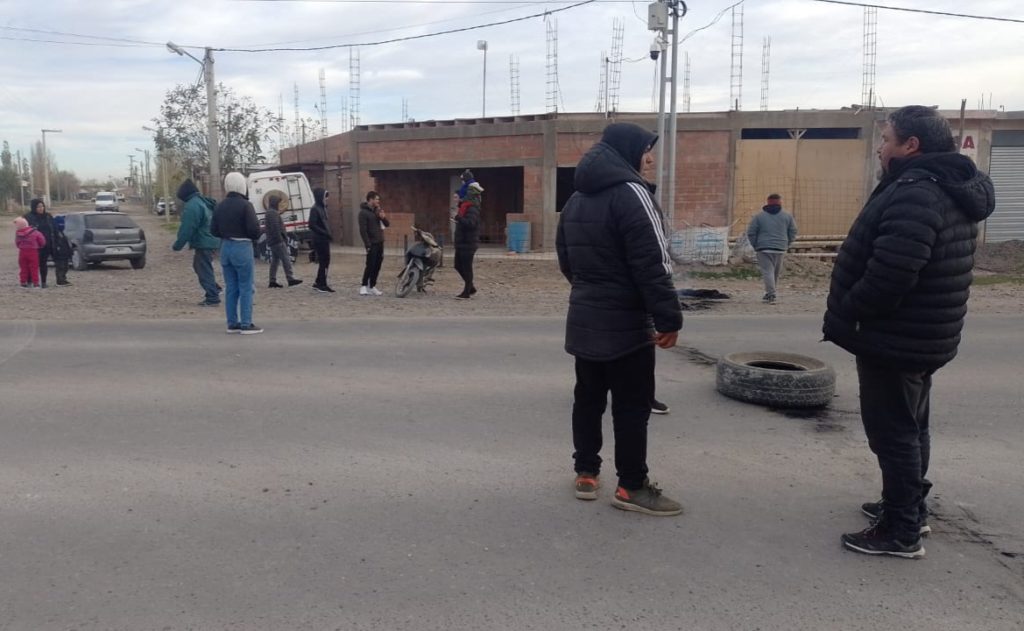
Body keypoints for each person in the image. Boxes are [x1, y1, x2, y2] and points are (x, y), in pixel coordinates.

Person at [823, 105, 995, 559]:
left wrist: (850, 310)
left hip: (895, 337)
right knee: (912, 426)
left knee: (893, 433)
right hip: (924, 334)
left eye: (886, 139)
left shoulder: (917, 192)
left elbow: (892, 273)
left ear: (910, 145)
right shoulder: (945, 185)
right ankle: (910, 508)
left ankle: (900, 531)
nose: (880, 148)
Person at [556, 122, 684, 516]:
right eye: (647, 151)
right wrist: (669, 317)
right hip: (627, 325)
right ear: (629, 151)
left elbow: (566, 259)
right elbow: (654, 262)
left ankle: (586, 472)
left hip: (585, 317)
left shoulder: (576, 199)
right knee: (632, 407)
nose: (650, 160)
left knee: (588, 399)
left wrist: (592, 294)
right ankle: (632, 485)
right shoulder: (633, 193)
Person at [210, 172, 263, 335]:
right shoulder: (246, 205)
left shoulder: (220, 206)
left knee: (231, 287)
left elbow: (213, 230)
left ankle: (232, 323)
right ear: (242, 185)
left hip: (225, 247)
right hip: (242, 247)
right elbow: (254, 231)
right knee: (246, 286)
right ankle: (246, 323)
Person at [172, 178, 222, 306]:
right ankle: (214, 288)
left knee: (203, 268)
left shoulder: (192, 206)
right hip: (212, 240)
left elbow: (187, 228)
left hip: (204, 242)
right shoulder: (202, 201)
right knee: (200, 266)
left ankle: (212, 297)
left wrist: (178, 245)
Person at [746, 193, 797, 304]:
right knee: (775, 272)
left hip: (763, 248)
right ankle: (771, 292)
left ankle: (770, 293)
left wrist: (755, 245)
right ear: (780, 203)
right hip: (780, 248)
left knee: (767, 271)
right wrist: (787, 243)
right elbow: (793, 231)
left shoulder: (759, 217)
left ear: (767, 202)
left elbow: (751, 232)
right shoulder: (787, 216)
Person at [263, 195, 302, 289]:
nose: (279, 205)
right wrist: (281, 239)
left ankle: (272, 281)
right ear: (275, 203)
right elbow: (275, 228)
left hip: (273, 240)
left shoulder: (270, 212)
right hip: (277, 241)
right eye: (278, 203)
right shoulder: (273, 213)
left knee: (275, 261)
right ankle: (290, 279)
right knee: (286, 259)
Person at [452, 181, 481, 299]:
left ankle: (467, 291)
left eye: (457, 197)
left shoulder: (472, 208)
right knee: (458, 265)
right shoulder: (463, 208)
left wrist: (458, 218)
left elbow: (471, 223)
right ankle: (471, 287)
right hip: (462, 242)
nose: (456, 199)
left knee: (467, 268)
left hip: (468, 243)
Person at [358, 191, 389, 296]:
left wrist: (383, 217)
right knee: (370, 264)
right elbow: (363, 230)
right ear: (370, 199)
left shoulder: (378, 211)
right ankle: (363, 285)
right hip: (372, 243)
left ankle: (372, 285)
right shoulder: (363, 213)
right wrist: (367, 244)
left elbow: (387, 224)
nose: (378, 201)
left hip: (380, 242)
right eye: (376, 199)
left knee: (377, 265)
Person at [23, 199, 56, 288]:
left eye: (42, 206)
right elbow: (23, 231)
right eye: (38, 207)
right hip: (32, 246)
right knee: (32, 265)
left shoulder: (48, 216)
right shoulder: (28, 217)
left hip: (46, 244)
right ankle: (30, 281)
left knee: (43, 264)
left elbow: (54, 228)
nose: (41, 208)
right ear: (34, 207)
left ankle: (44, 282)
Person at [308, 187, 335, 293]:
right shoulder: (315, 209)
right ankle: (321, 284)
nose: (327, 199)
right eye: (325, 196)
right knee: (323, 261)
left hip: (324, 239)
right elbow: (312, 224)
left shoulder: (322, 208)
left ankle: (319, 281)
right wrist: (324, 232)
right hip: (319, 239)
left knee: (326, 261)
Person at [14, 216, 46, 288]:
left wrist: (20, 246)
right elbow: (42, 240)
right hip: (33, 251)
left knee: (23, 268)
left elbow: (17, 242)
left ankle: (23, 282)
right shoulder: (35, 232)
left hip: (22, 251)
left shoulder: (18, 233)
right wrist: (40, 246)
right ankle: (35, 283)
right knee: (34, 268)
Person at [51, 215, 72, 287]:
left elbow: (65, 243)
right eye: (61, 224)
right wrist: (57, 250)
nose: (62, 225)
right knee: (60, 267)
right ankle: (60, 281)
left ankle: (63, 279)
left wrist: (69, 251)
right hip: (59, 254)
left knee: (65, 267)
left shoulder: (62, 233)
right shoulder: (55, 233)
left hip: (64, 253)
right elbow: (55, 244)